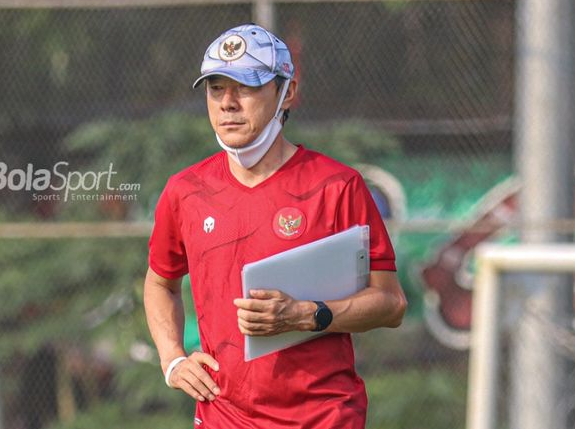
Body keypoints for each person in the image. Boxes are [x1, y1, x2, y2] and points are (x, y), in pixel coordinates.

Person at [143, 23, 407, 429]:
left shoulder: (338, 186)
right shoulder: (185, 190)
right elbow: (160, 282)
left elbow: (390, 305)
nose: (228, 103)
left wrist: (307, 314)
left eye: (246, 87)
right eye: (216, 88)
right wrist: (172, 358)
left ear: (288, 92)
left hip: (324, 418)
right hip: (222, 418)